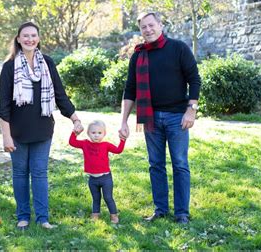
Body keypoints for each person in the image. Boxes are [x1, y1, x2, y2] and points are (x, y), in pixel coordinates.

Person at [0, 21, 84, 230]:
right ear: (18, 39)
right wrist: (6, 136)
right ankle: (23, 216)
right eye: (25, 36)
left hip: (43, 129)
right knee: (19, 174)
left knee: (39, 173)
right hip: (17, 131)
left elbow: (60, 94)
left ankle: (43, 219)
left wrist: (75, 118)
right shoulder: (9, 67)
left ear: (38, 38)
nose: (29, 39)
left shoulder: (47, 63)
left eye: (33, 35)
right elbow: (4, 105)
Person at [119, 11, 201, 225]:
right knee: (155, 164)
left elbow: (194, 79)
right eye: (143, 27)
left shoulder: (178, 48)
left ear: (160, 25)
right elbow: (130, 90)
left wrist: (191, 109)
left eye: (151, 25)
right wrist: (123, 121)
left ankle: (182, 213)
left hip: (177, 117)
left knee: (180, 164)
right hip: (151, 118)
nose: (148, 30)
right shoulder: (139, 55)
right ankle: (161, 209)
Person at [69, 120, 126, 224]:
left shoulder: (106, 145)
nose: (96, 135)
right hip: (93, 179)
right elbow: (72, 142)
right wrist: (75, 133)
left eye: (99, 133)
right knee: (96, 198)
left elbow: (118, 150)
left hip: (105, 178)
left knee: (108, 197)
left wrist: (122, 140)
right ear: (88, 133)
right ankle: (95, 214)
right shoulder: (85, 144)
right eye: (93, 133)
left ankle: (114, 215)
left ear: (104, 134)